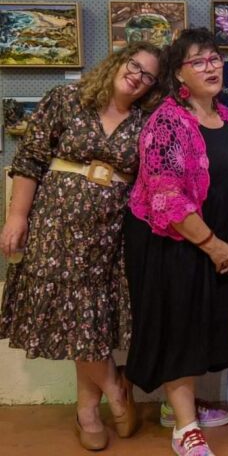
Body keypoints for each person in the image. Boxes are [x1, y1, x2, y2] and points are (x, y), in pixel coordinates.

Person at [0, 42, 164, 451]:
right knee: (76, 316)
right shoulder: (66, 99)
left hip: (110, 233)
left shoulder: (146, 120)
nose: (138, 77)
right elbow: (30, 160)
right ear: (118, 62)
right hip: (55, 225)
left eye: (148, 76)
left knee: (90, 320)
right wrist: (17, 216)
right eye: (134, 66)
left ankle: (86, 411)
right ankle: (113, 389)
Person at [124, 28, 228, 456]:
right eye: (198, 61)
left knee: (206, 323)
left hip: (218, 241)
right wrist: (214, 246)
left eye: (215, 59)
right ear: (179, 73)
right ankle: (185, 427)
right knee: (179, 327)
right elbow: (167, 199)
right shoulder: (167, 121)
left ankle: (179, 406)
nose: (211, 67)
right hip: (172, 241)